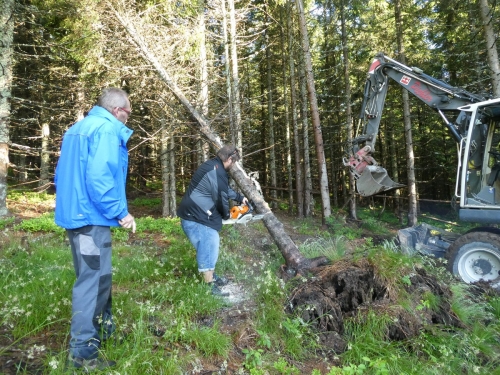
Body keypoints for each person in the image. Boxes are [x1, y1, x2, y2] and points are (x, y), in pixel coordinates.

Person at [54, 87, 136, 371]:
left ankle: (104, 331)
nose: (128, 119)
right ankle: (82, 355)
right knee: (92, 282)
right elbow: (99, 177)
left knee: (99, 277)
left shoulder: (78, 129)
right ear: (117, 111)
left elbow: (63, 173)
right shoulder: (105, 130)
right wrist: (121, 213)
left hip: (77, 216)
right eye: (128, 113)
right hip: (90, 220)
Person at [177, 144, 248, 296]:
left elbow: (223, 189)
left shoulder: (213, 166)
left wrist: (240, 198)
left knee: (209, 245)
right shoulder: (217, 171)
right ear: (229, 159)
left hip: (192, 213)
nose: (233, 165)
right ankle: (208, 286)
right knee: (210, 243)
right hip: (195, 216)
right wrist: (227, 215)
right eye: (233, 162)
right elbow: (221, 198)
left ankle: (211, 276)